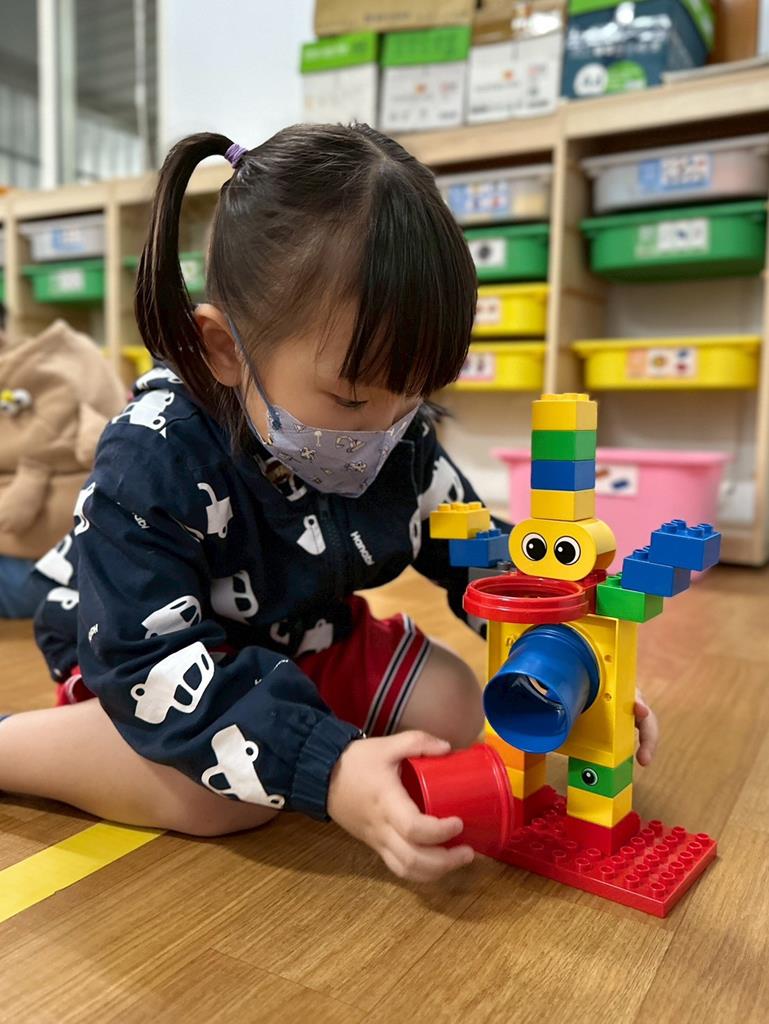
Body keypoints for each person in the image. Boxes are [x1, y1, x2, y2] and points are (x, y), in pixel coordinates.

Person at [0, 125, 658, 883]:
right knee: (226, 800)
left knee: (455, 710)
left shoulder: (397, 434)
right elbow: (145, 659)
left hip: (305, 639)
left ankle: (288, 724)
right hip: (159, 662)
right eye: (349, 399)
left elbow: (475, 554)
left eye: (412, 397)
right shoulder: (154, 454)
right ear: (225, 349)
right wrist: (331, 767)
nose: (382, 430)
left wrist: (574, 664)